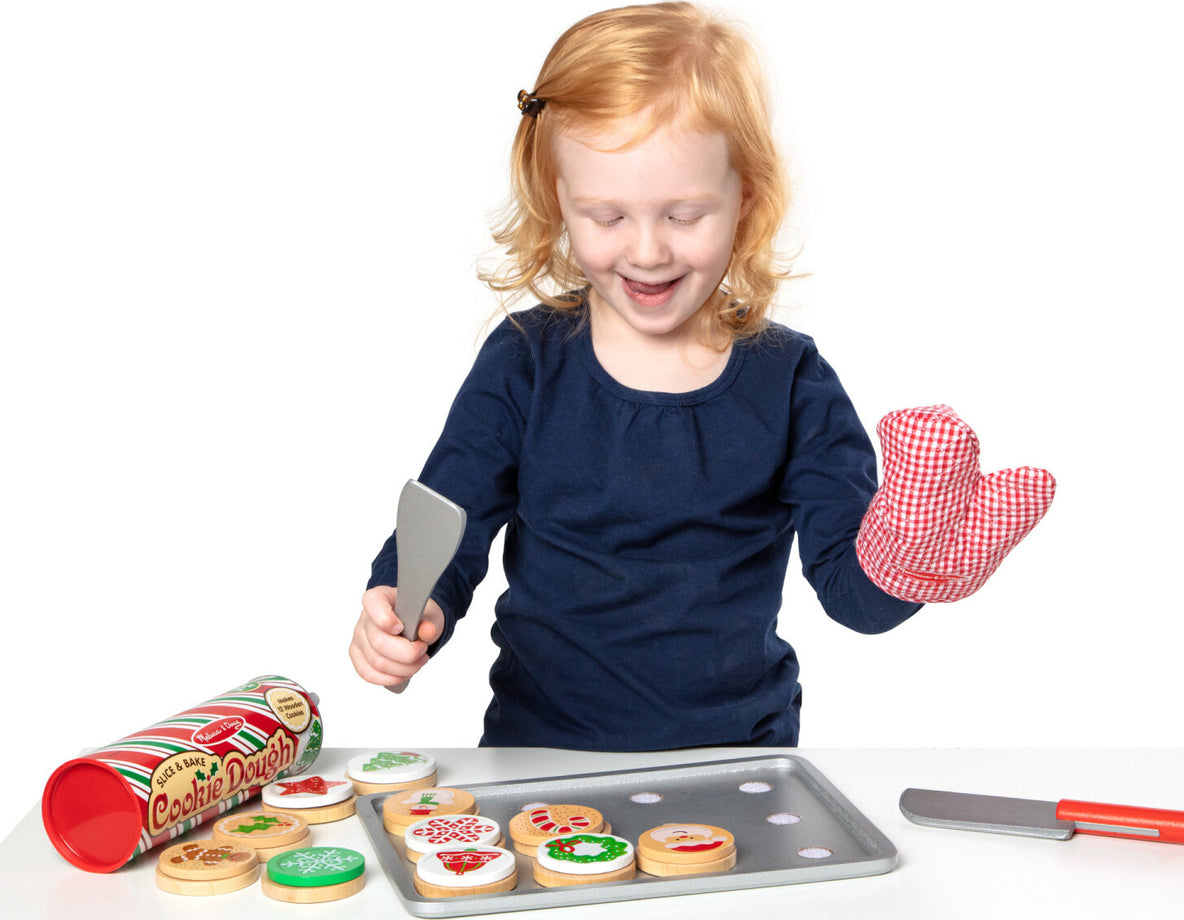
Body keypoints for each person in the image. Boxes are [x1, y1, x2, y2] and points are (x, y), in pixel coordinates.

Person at [348, 2, 1055, 750]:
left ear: (745, 198)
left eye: (684, 214)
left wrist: (907, 564)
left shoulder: (792, 380)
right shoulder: (525, 360)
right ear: (558, 197)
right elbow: (444, 526)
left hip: (737, 761)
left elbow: (855, 599)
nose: (647, 251)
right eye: (607, 215)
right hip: (539, 759)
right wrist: (403, 608)